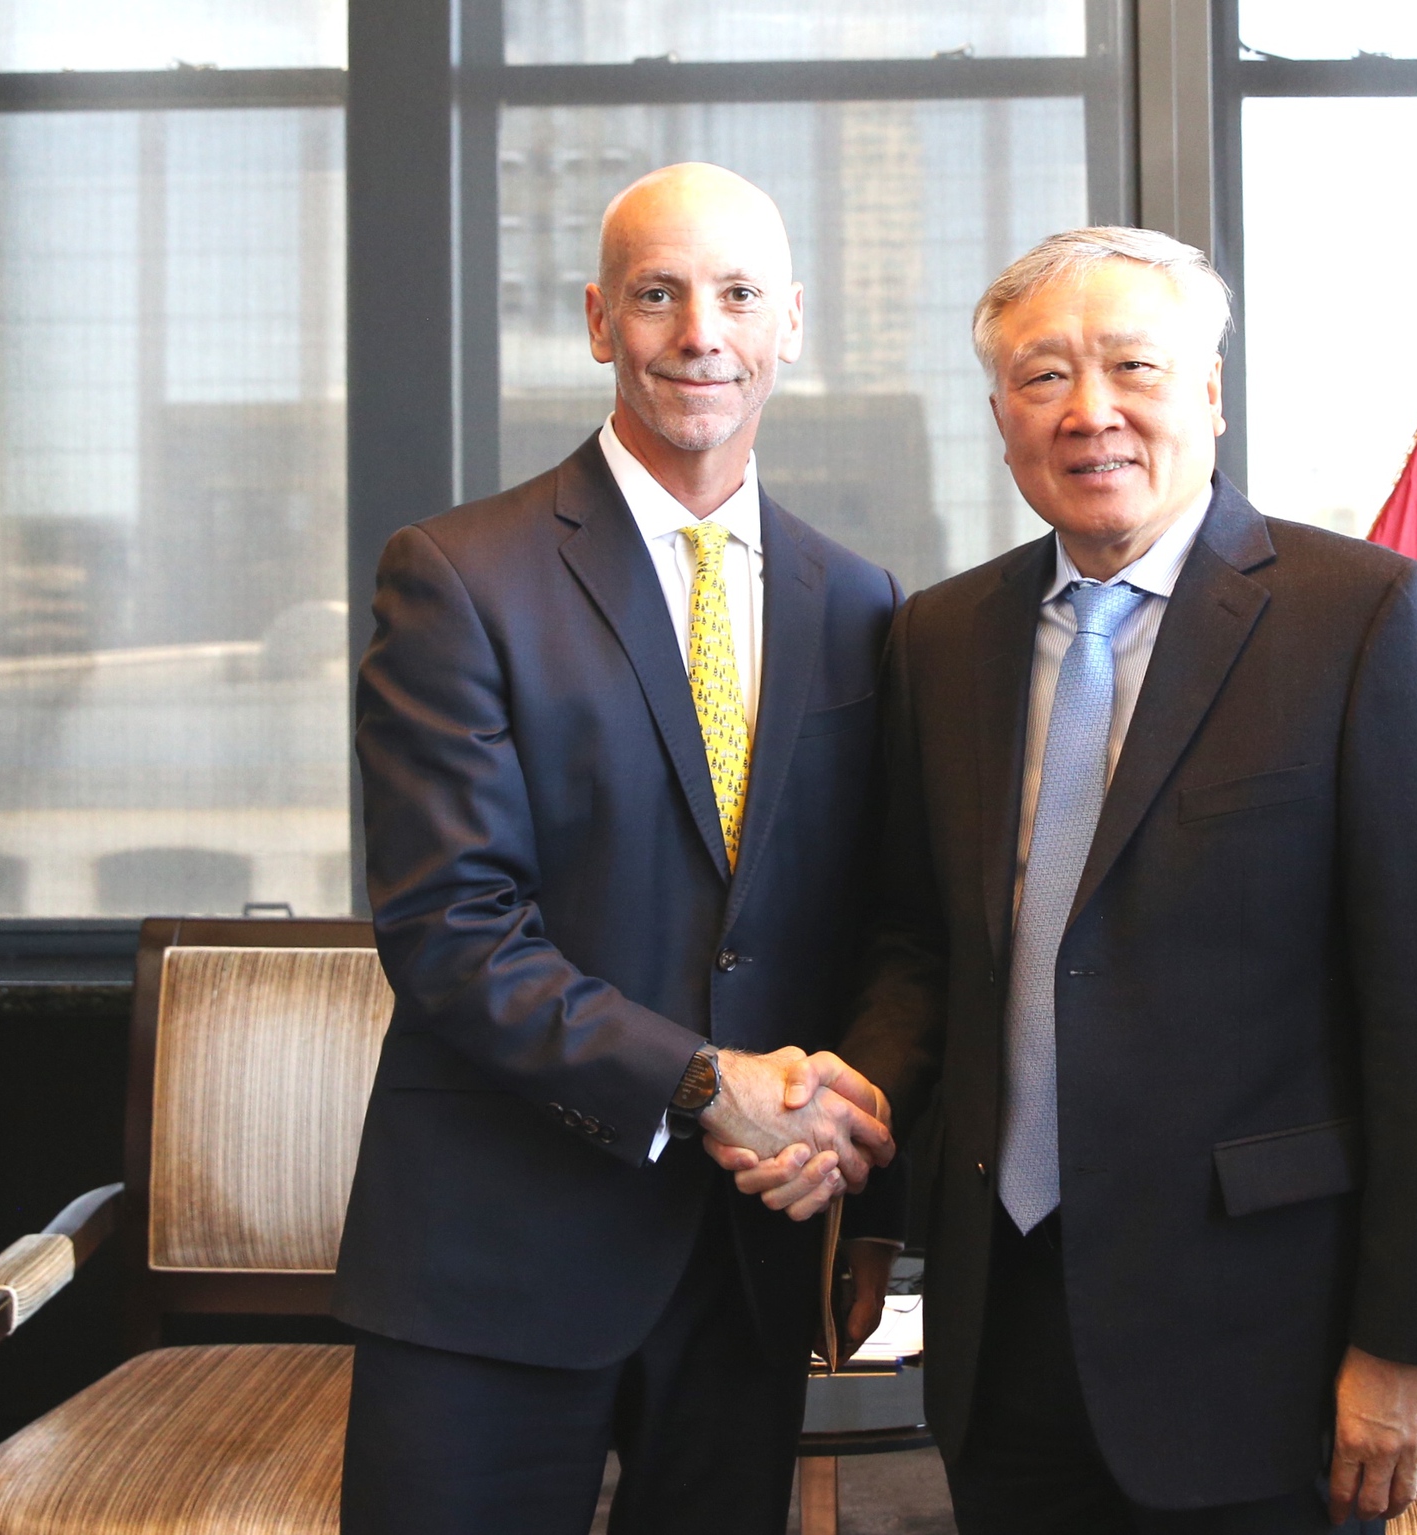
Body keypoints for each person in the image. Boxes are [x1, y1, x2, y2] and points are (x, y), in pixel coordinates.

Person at [718, 227, 1417, 1533]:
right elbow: (921, 948)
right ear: (1000, 418)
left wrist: (1411, 1338)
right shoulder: (940, 638)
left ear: (1208, 391)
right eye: (1044, 378)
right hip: (1002, 1315)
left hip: (1264, 1328)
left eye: (1132, 367)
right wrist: (869, 1186)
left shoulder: (1364, 619)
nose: (1090, 413)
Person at [334, 162, 903, 1535]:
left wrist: (845, 1157)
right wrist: (704, 1086)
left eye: (739, 295)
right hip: (497, 1257)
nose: (702, 333)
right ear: (600, 322)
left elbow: (881, 920)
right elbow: (452, 931)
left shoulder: (859, 601)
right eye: (659, 294)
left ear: (791, 323)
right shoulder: (460, 576)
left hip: (750, 1254)